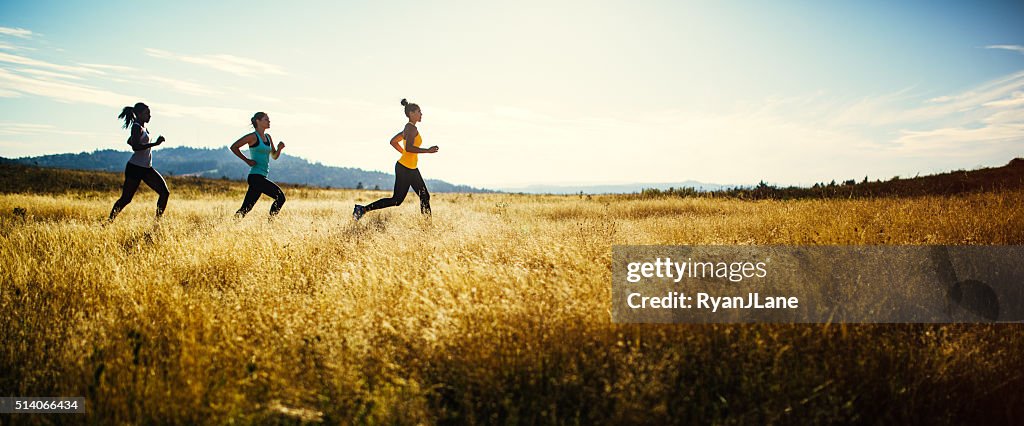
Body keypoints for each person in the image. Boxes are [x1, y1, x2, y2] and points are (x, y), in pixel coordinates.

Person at [353, 99, 439, 220]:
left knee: (424, 196)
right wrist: (427, 150)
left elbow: (393, 142)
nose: (421, 114)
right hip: (405, 169)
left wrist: (404, 152)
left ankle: (427, 225)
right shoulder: (411, 129)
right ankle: (362, 209)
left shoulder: (408, 128)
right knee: (397, 200)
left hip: (411, 168)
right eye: (419, 111)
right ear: (411, 113)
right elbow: (409, 148)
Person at [109, 102, 170, 221]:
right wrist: (155, 144)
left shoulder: (142, 127)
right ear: (140, 114)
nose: (150, 116)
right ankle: (108, 222)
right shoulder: (136, 126)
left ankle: (156, 223)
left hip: (146, 168)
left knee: (165, 193)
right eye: (147, 113)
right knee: (126, 199)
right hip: (135, 168)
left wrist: (141, 142)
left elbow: (130, 141)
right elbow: (135, 147)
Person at [230, 112, 286, 217]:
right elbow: (234, 147)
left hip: (262, 176)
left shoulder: (268, 137)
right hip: (256, 177)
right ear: (258, 121)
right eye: (266, 120)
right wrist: (247, 160)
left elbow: (274, 156)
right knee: (281, 197)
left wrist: (279, 149)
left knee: (246, 208)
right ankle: (271, 223)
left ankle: (231, 224)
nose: (269, 122)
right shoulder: (252, 137)